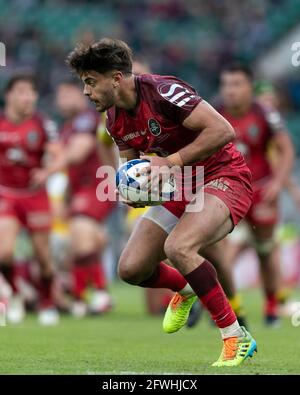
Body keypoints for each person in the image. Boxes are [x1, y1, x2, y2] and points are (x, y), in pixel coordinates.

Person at [66, 38, 257, 367]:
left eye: (90, 82)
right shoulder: (114, 120)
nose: (86, 92)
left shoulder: (164, 92)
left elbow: (223, 130)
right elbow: (133, 169)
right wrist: (133, 191)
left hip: (225, 177)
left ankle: (236, 336)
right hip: (180, 185)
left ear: (116, 78)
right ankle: (186, 289)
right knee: (131, 268)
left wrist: (171, 163)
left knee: (180, 247)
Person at [218, 65, 295, 325]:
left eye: (237, 84)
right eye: (227, 84)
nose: (231, 90)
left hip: (261, 190)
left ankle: (272, 304)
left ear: (250, 87)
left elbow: (286, 150)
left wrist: (278, 182)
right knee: (222, 251)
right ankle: (228, 308)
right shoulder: (215, 112)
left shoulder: (264, 113)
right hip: (228, 188)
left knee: (265, 251)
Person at [50, 80, 115, 315]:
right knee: (83, 241)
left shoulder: (87, 119)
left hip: (98, 185)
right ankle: (89, 295)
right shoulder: (68, 127)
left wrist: (47, 170)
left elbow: (78, 154)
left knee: (81, 234)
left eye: (68, 94)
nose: (63, 100)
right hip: (81, 190)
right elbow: (71, 169)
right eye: (60, 96)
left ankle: (92, 294)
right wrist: (66, 197)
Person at [0, 74, 60, 325]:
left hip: (35, 196)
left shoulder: (43, 124)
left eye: (31, 92)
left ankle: (47, 301)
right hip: (6, 194)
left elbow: (59, 154)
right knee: (3, 254)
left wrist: (46, 171)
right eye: (22, 91)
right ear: (9, 96)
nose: (28, 97)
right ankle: (14, 296)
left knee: (43, 259)